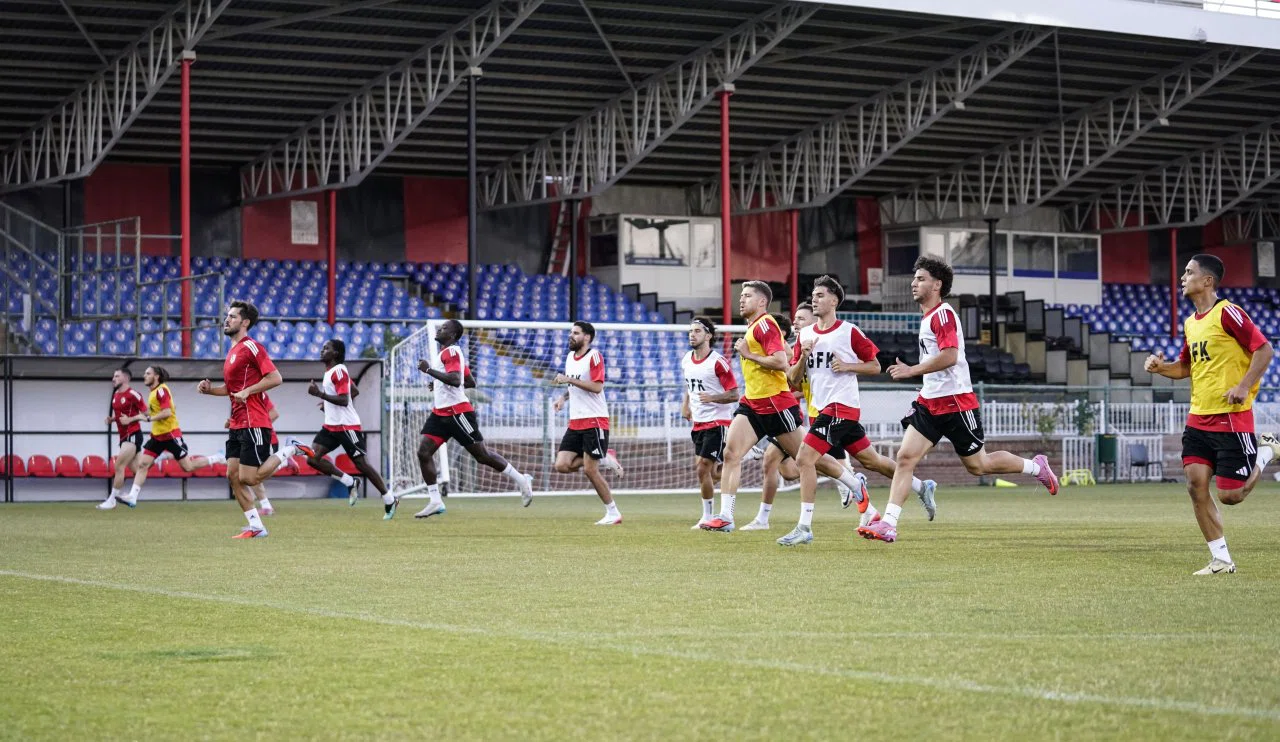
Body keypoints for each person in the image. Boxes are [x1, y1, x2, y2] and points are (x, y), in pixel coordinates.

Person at [858, 256, 1058, 545]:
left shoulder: (943, 315)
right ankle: (889, 524)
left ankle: (1037, 467)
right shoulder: (928, 317)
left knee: (979, 466)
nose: (914, 283)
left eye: (921, 278)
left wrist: (912, 369)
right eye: (915, 278)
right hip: (930, 402)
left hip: (956, 403)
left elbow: (950, 356)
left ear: (937, 285)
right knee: (905, 458)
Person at [777, 276, 941, 545]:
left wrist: (848, 366)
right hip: (821, 410)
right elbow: (792, 380)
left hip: (842, 407)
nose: (815, 300)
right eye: (814, 295)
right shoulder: (805, 336)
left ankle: (804, 527)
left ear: (834, 300)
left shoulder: (848, 331)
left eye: (820, 295)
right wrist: (803, 356)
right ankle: (922, 487)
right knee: (872, 461)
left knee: (804, 458)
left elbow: (875, 366)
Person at [702, 281, 871, 535]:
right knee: (730, 454)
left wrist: (749, 355)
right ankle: (726, 516)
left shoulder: (766, 324)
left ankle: (852, 483)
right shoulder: (752, 327)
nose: (741, 299)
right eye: (741, 295)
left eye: (747, 295)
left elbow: (781, 361)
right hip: (753, 403)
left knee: (812, 460)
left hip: (776, 404)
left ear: (762, 302)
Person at [1144, 254, 1275, 574]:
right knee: (1195, 485)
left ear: (1207, 281)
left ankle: (1267, 451)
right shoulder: (1191, 323)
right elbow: (1187, 367)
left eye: (1189, 272)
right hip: (1198, 418)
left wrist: (1244, 386)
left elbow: (1265, 349)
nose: (1182, 277)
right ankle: (1221, 559)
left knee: (1231, 496)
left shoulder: (1228, 312)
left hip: (1231, 418)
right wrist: (1161, 368)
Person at [409, 321, 532, 519]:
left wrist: (428, 370)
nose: (440, 329)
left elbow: (456, 380)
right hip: (440, 413)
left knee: (482, 456)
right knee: (424, 452)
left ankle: (521, 479)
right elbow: (470, 381)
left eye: (445, 328)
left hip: (458, 413)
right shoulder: (448, 354)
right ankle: (435, 500)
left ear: (453, 335)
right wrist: (439, 384)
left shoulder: (451, 352)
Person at [199, 300, 298, 539]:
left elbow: (276, 378)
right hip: (237, 423)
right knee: (232, 476)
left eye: (233, 317)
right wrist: (210, 390)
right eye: (227, 316)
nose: (227, 319)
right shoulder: (232, 351)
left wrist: (249, 390)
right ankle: (256, 526)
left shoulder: (252, 347)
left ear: (245, 323)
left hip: (255, 421)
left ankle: (289, 451)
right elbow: (232, 389)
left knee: (249, 478)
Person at [293, 339, 395, 517]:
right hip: (331, 426)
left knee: (361, 464)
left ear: (336, 354)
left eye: (327, 348)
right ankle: (349, 481)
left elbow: (345, 399)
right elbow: (353, 391)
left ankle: (389, 499)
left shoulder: (339, 370)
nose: (322, 350)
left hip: (347, 426)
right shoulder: (331, 372)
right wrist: (327, 403)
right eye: (323, 347)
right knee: (312, 458)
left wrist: (320, 394)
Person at [552, 320, 624, 525]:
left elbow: (596, 387)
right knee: (562, 465)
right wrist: (563, 398)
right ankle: (604, 457)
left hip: (595, 420)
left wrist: (569, 380)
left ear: (587, 337)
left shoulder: (594, 356)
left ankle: (613, 512)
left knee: (590, 470)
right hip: (576, 421)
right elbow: (574, 384)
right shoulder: (569, 357)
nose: (571, 336)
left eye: (575, 333)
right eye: (571, 332)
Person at [120, 365, 223, 505]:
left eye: (147, 373)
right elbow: (152, 413)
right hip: (157, 436)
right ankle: (132, 496)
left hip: (170, 435)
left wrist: (148, 419)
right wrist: (133, 419)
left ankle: (217, 457)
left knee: (188, 467)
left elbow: (167, 412)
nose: (144, 375)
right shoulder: (153, 392)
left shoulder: (161, 390)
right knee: (143, 464)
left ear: (156, 376)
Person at [680, 316, 739, 529]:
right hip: (698, 423)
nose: (692, 334)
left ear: (708, 336)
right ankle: (742, 458)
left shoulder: (718, 362)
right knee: (709, 473)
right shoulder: (687, 359)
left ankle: (707, 516)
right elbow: (689, 385)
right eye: (690, 331)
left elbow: (734, 394)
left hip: (718, 422)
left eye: (697, 331)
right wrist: (686, 404)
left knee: (702, 469)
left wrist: (712, 398)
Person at [98, 368, 147, 510]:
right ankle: (160, 457)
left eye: (116, 376)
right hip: (124, 437)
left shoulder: (133, 394)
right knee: (138, 469)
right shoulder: (115, 396)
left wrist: (131, 419)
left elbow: (147, 414)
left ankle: (112, 500)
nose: (113, 378)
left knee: (119, 466)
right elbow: (121, 415)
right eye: (113, 376)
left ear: (126, 378)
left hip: (133, 434)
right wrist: (112, 419)